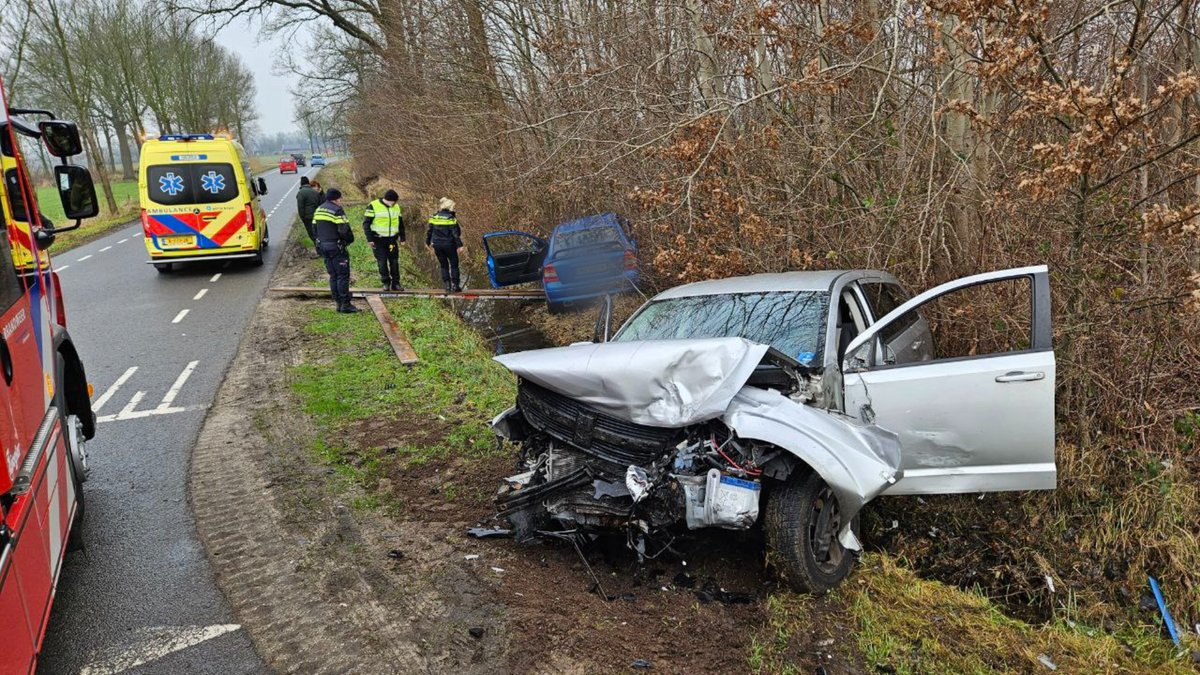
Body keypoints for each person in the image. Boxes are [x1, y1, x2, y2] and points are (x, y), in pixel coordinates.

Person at [312, 188, 360, 313]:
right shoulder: (337, 210)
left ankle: (338, 303)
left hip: (323, 246)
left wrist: (320, 242)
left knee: (333, 275)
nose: (341, 201)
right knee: (343, 276)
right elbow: (344, 230)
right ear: (337, 198)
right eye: (340, 198)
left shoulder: (319, 209)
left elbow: (314, 229)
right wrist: (348, 241)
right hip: (336, 247)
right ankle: (345, 304)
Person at [363, 189, 405, 291]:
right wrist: (370, 239)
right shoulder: (373, 206)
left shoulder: (396, 207)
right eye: (394, 202)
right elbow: (366, 224)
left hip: (392, 240)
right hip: (378, 240)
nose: (395, 204)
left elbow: (400, 223)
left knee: (394, 262)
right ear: (388, 200)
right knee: (382, 262)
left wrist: (403, 237)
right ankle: (386, 282)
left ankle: (396, 284)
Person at [426, 197, 464, 292]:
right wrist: (460, 245)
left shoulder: (434, 217)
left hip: (437, 245)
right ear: (450, 207)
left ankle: (447, 286)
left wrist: (427, 242)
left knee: (443, 265)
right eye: (454, 207)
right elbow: (455, 233)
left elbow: (429, 231)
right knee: (454, 265)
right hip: (449, 245)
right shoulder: (451, 218)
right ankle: (455, 286)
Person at [296, 176, 322, 251]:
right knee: (318, 233)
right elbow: (319, 204)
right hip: (318, 216)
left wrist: (302, 218)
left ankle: (319, 252)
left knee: (312, 235)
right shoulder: (315, 192)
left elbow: (300, 208)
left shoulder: (301, 193)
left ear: (301, 184)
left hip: (308, 218)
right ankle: (322, 250)